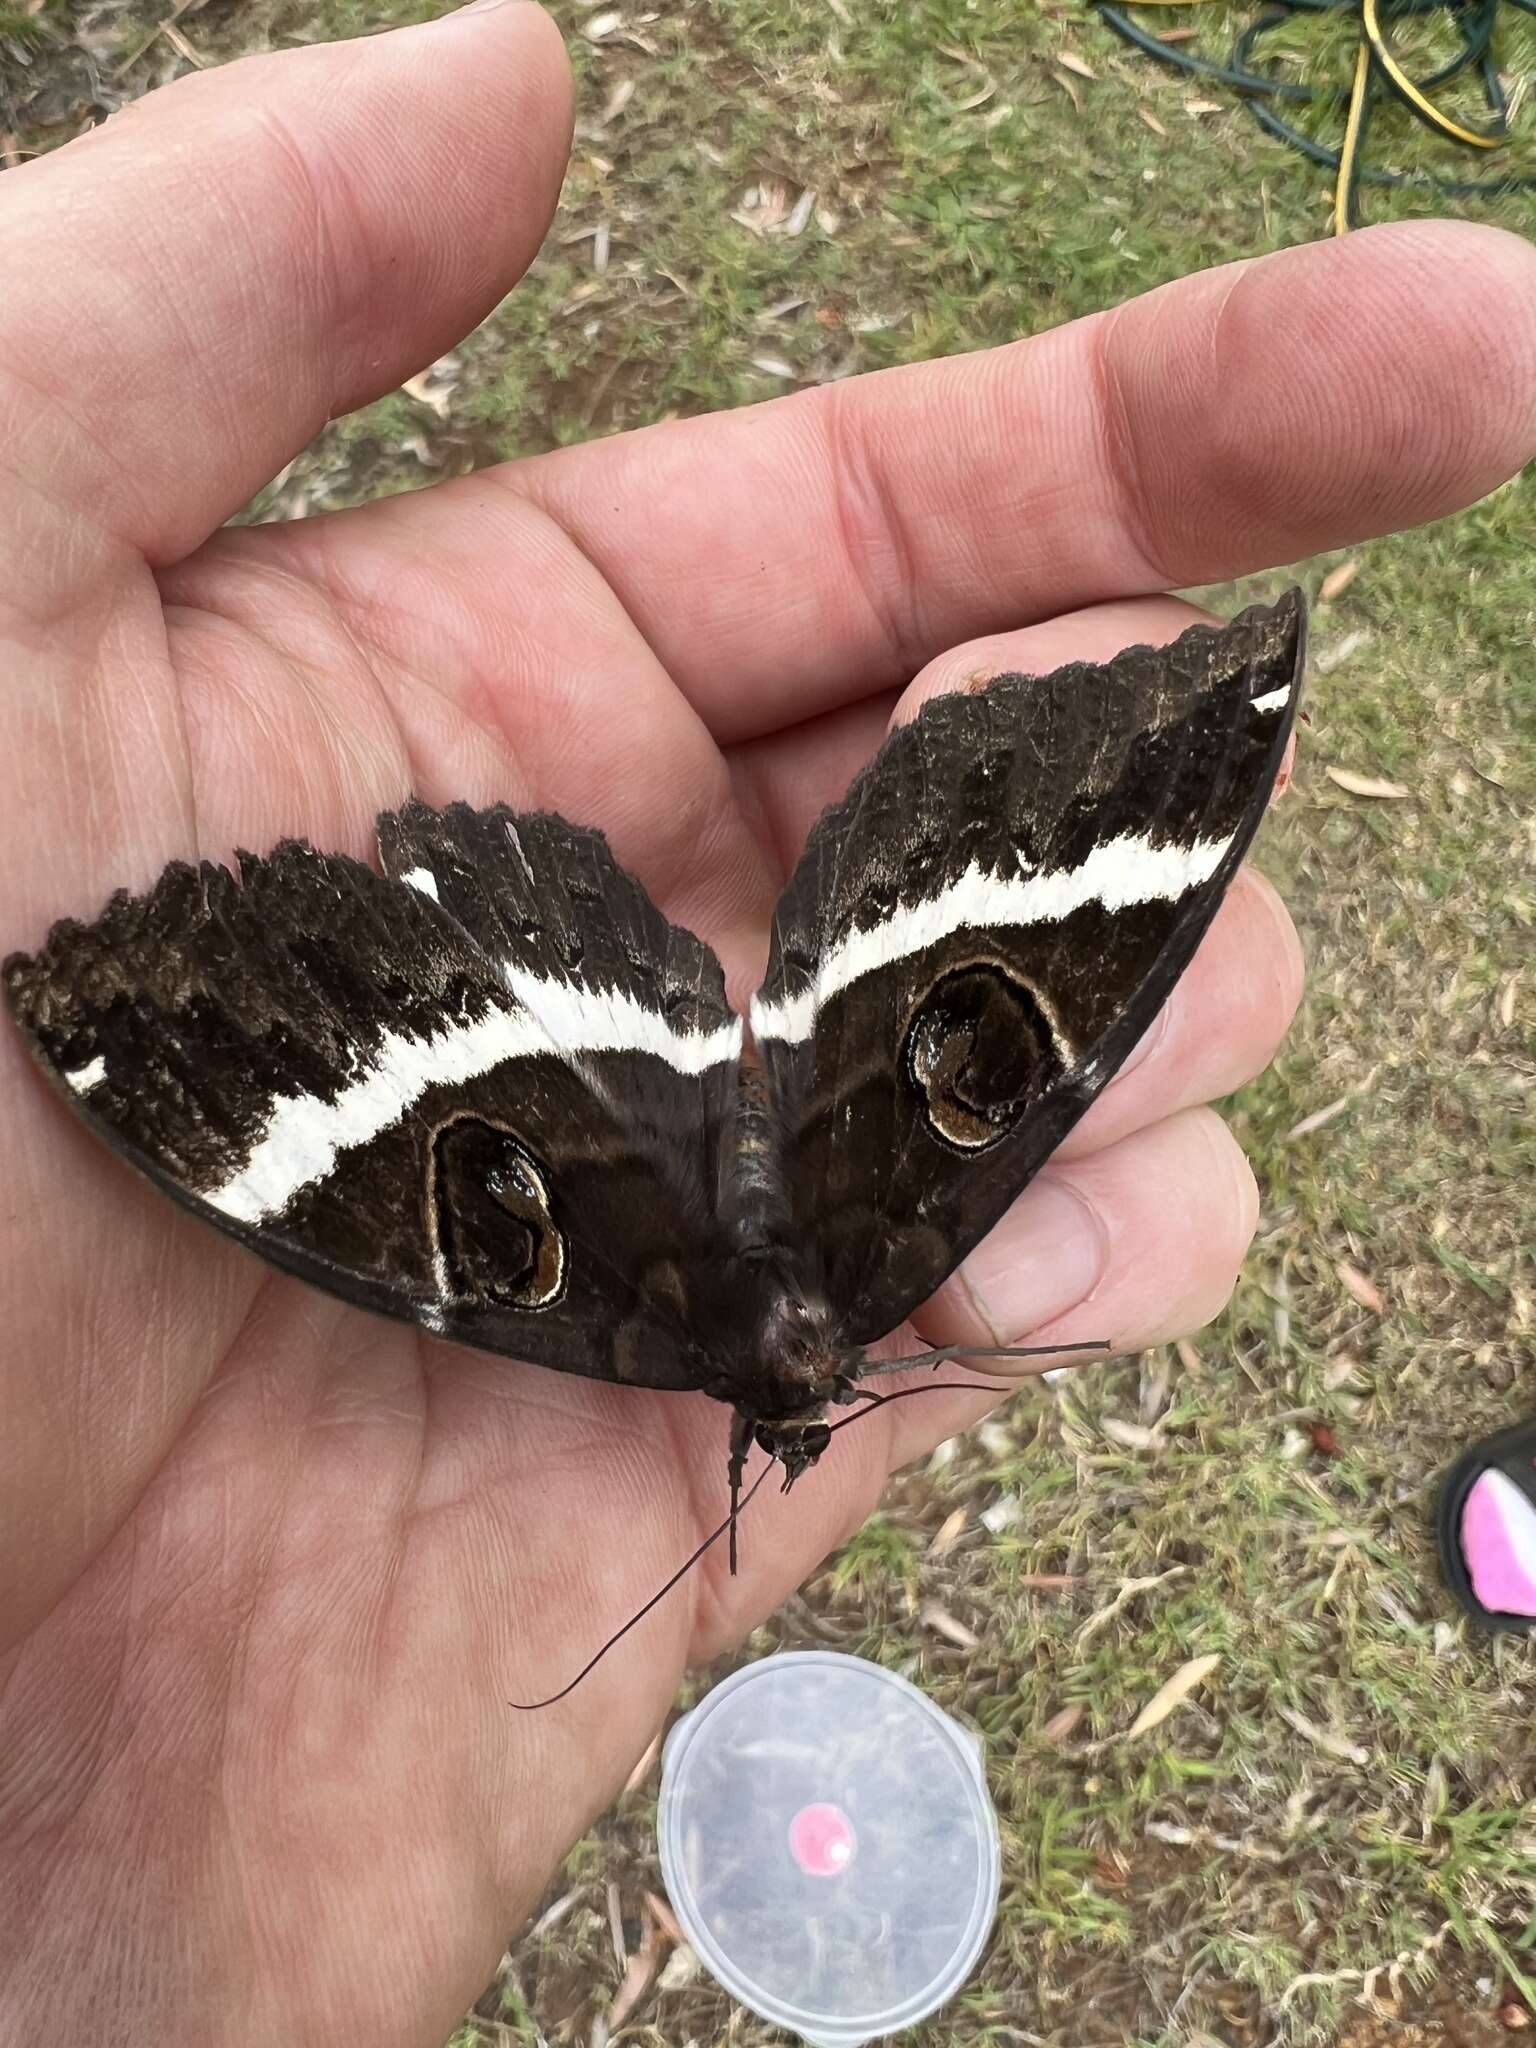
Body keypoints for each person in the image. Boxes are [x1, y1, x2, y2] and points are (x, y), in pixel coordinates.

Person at [0, 3, 1532, 2038]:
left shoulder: (653, 1316)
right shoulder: (846, 1273)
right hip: (717, 1070)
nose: (800, 1407)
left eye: (778, 1419)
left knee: (433, 1212)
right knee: (1038, 1062)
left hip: (587, 1036)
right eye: (798, 1415)